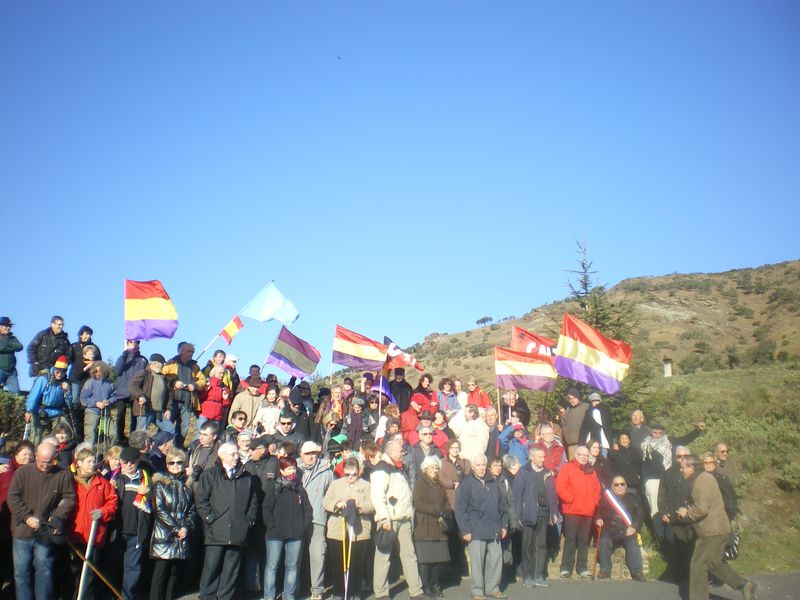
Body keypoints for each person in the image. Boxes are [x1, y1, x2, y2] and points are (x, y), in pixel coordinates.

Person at [675, 455, 757, 600]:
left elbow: (701, 509)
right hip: (716, 529)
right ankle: (744, 585)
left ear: (692, 467)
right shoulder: (701, 479)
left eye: (683, 467)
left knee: (698, 565)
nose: (681, 470)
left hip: (712, 531)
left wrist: (686, 513)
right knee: (713, 563)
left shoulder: (703, 480)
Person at [8, 441, 77, 600]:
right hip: (22, 531)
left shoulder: (62, 474)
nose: (45, 465)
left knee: (45, 571)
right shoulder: (23, 472)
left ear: (55, 458)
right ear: (36, 456)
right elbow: (13, 498)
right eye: (41, 461)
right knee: (22, 573)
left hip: (45, 532)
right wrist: (26, 517)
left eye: (49, 462)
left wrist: (58, 515)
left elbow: (68, 498)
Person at [195, 441, 258, 600]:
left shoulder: (246, 476)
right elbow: (201, 499)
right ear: (222, 456)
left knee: (231, 570)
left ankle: (225, 597)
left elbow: (253, 501)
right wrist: (209, 518)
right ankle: (207, 596)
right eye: (233, 454)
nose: (237, 456)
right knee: (211, 568)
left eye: (237, 453)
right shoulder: (209, 474)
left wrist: (248, 520)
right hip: (216, 530)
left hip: (238, 531)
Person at [370, 438, 426, 600]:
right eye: (400, 450)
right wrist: (383, 519)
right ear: (391, 451)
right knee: (383, 557)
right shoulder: (381, 469)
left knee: (409, 555)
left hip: (404, 517)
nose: (402, 453)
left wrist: (410, 515)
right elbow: (377, 495)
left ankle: (416, 591)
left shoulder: (398, 468)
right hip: (389, 519)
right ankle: (381, 593)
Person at [67, 447, 119, 600]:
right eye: (89, 461)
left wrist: (103, 512)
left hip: (94, 536)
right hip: (74, 536)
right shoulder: (71, 482)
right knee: (74, 572)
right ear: (79, 463)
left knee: (89, 574)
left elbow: (113, 502)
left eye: (94, 461)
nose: (93, 464)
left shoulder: (101, 482)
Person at [455, 454, 508, 600]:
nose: (481, 468)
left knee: (496, 560)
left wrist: (504, 525)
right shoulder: (466, 484)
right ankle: (477, 591)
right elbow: (460, 509)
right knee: (477, 563)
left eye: (483, 465)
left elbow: (503, 506)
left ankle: (493, 588)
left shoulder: (493, 482)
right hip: (475, 530)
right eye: (478, 465)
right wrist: (465, 530)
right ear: (473, 467)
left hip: (494, 529)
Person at [323, 456, 374, 600]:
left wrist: (359, 506)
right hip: (338, 531)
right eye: (347, 474)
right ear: (343, 472)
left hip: (359, 531)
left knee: (357, 565)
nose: (350, 477)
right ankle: (339, 593)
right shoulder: (335, 484)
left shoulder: (366, 485)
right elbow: (326, 502)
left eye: (354, 474)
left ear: (358, 472)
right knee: (338, 564)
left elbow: (371, 505)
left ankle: (355, 593)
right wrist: (337, 503)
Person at [150, 447, 197, 600]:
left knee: (175, 572)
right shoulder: (160, 483)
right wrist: (176, 528)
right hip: (164, 532)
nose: (175, 465)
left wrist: (186, 527)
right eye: (172, 462)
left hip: (181, 533)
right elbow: (160, 510)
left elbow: (191, 510)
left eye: (179, 462)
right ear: (167, 465)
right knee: (160, 573)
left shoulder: (187, 485)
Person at [263, 456, 312, 600]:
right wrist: (272, 525)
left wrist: (302, 527)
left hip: (295, 535)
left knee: (292, 567)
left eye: (294, 468)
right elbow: (266, 509)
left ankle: (289, 596)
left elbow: (307, 510)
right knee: (272, 566)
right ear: (281, 471)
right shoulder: (274, 487)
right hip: (275, 534)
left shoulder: (299, 489)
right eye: (289, 468)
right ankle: (269, 596)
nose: (292, 471)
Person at [512, 447, 559, 588]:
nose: (542, 460)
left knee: (541, 545)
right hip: (528, 514)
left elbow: (552, 494)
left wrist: (554, 512)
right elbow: (517, 495)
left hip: (544, 514)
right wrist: (518, 515)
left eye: (543, 457)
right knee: (528, 546)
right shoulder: (523, 472)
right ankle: (528, 576)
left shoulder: (546, 473)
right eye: (539, 457)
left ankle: (539, 576)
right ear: (532, 458)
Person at [112, 446, 153, 600]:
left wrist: (149, 494)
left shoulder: (146, 479)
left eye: (132, 462)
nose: (129, 465)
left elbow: (155, 506)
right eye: (125, 462)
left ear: (138, 462)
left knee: (133, 568)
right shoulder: (114, 478)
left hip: (136, 530)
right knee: (114, 566)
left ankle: (126, 597)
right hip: (116, 530)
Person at [555, 445, 601, 578]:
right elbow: (561, 487)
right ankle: (566, 567)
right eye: (582, 455)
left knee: (584, 540)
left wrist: (594, 503)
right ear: (576, 455)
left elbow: (597, 490)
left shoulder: (591, 471)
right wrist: (571, 500)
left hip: (587, 511)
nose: (584, 457)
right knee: (570, 539)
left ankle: (582, 567)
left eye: (587, 455)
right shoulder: (567, 468)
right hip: (572, 510)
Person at [298, 441, 333, 600]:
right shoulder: (293, 468)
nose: (311, 456)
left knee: (317, 555)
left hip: (317, 518)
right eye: (307, 453)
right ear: (301, 454)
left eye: (314, 453)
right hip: (296, 518)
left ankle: (317, 590)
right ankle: (295, 588)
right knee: (295, 556)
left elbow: (331, 494)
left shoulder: (326, 471)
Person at [413, 455, 451, 598]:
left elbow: (446, 501)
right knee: (426, 560)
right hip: (425, 525)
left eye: (437, 468)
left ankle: (435, 583)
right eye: (432, 468)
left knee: (439, 558)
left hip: (439, 526)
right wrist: (436, 511)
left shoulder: (440, 484)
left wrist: (446, 511)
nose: (435, 470)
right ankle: (426, 585)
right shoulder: (420, 483)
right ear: (425, 469)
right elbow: (418, 503)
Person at [595, 475, 646, 581]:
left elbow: (640, 513)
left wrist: (634, 527)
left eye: (622, 484)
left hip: (626, 530)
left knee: (632, 542)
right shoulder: (606, 498)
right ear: (612, 487)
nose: (620, 487)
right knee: (603, 541)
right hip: (609, 529)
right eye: (616, 484)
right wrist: (598, 518)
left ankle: (637, 572)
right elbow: (597, 511)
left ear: (626, 486)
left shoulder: (634, 498)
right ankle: (605, 570)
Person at [0, 441, 34, 588]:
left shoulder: (34, 473)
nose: (27, 457)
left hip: (22, 523)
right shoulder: (7, 471)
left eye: (30, 454)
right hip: (5, 518)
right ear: (16, 456)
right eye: (24, 454)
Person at [657, 446, 694, 581]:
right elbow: (662, 495)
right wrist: (663, 512)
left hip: (691, 517)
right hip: (674, 517)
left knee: (691, 546)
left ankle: (691, 575)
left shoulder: (693, 473)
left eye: (685, 456)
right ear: (675, 457)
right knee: (676, 546)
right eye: (679, 456)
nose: (682, 458)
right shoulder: (668, 474)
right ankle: (679, 574)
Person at [162, 342, 207, 447]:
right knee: (167, 425)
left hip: (187, 402)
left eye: (192, 352)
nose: (191, 354)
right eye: (189, 351)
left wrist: (195, 385)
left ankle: (178, 448)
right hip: (172, 401)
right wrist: (174, 382)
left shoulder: (195, 367)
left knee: (184, 428)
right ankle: (163, 447)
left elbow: (203, 380)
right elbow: (162, 376)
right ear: (181, 351)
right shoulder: (171, 363)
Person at [25, 355, 70, 444]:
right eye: (57, 372)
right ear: (54, 369)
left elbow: (69, 403)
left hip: (57, 413)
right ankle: (33, 454)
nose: (59, 375)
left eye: (62, 372)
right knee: (35, 436)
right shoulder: (44, 379)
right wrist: (29, 411)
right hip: (40, 411)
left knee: (64, 433)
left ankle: (59, 453)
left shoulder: (65, 382)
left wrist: (67, 392)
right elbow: (33, 396)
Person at [112, 340, 150, 443]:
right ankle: (120, 438)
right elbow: (117, 371)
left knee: (134, 416)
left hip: (136, 392)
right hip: (122, 390)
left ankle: (132, 438)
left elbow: (146, 375)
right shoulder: (123, 358)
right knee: (120, 414)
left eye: (136, 343)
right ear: (127, 344)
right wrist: (124, 355)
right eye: (131, 343)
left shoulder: (143, 359)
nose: (134, 345)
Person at [128, 353, 171, 431]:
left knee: (170, 430)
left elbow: (169, 394)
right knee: (141, 434)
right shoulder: (144, 373)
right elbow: (133, 385)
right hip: (145, 410)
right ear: (155, 363)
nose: (163, 366)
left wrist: (168, 408)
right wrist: (141, 395)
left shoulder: (163, 377)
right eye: (162, 363)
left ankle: (155, 442)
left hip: (159, 412)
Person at [80, 361, 117, 446]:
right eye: (95, 371)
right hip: (92, 412)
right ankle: (87, 455)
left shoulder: (109, 383)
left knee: (113, 434)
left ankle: (111, 454)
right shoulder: (89, 382)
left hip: (105, 413)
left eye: (100, 371)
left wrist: (109, 401)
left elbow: (114, 396)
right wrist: (96, 403)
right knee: (90, 436)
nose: (97, 373)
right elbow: (83, 399)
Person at [700, 451, 738, 522]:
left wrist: (729, 516)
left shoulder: (722, 479)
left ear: (714, 463)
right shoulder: (699, 480)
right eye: (706, 463)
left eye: (711, 462)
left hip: (722, 518)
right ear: (702, 464)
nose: (709, 465)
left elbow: (731, 498)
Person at [580, 392, 613, 457]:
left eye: (597, 401)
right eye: (593, 401)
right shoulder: (589, 412)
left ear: (600, 401)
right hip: (592, 442)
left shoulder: (604, 410)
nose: (595, 402)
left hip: (603, 442)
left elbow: (606, 424)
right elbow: (584, 429)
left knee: (602, 460)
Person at [561, 388, 589, 460]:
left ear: (578, 397)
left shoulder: (586, 407)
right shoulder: (568, 410)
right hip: (571, 445)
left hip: (584, 444)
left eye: (574, 398)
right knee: (573, 466)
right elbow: (563, 424)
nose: (572, 400)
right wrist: (566, 435)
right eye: (570, 399)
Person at [0, 316, 23, 393]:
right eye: (6, 326)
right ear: (0, 326)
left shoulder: (12, 338)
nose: (8, 328)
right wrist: (10, 347)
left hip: (11, 371)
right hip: (0, 369)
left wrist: (5, 346)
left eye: (9, 326)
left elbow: (20, 347)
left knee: (16, 394)